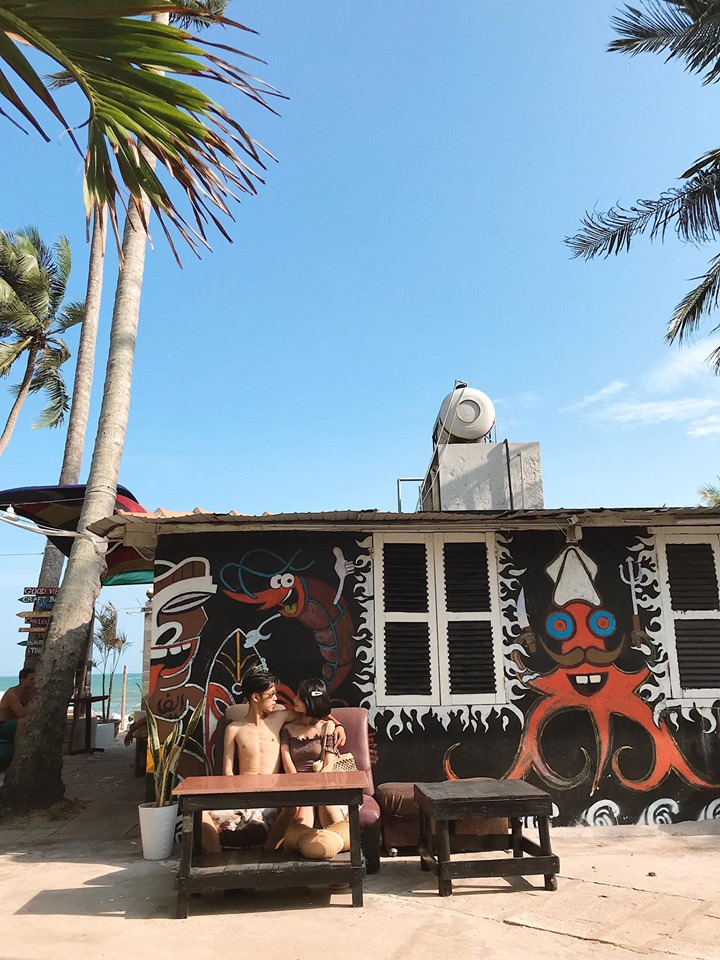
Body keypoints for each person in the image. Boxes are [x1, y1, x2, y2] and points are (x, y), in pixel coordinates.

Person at [202, 671, 347, 854]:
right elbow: (228, 773)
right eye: (271, 695)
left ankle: (268, 854)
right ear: (256, 697)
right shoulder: (234, 729)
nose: (276, 699)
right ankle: (216, 860)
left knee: (291, 808)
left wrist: (338, 724)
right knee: (199, 814)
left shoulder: (280, 718)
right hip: (243, 793)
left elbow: (313, 709)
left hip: (272, 795)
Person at [280, 677, 347, 829]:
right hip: (297, 785)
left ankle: (343, 840)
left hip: (322, 783)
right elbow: (287, 761)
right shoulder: (287, 729)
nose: (295, 699)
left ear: (310, 701)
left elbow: (329, 763)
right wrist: (301, 787)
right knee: (303, 820)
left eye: (300, 697)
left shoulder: (327, 727)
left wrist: (317, 786)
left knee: (328, 806)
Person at [0, 667, 36, 745]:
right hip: (2, 726)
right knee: (23, 722)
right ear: (22, 680)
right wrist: (33, 702)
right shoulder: (12, 694)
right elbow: (21, 713)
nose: (34, 682)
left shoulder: (28, 693)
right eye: (31, 679)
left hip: (12, 724)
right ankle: (18, 748)